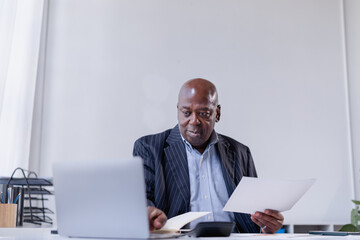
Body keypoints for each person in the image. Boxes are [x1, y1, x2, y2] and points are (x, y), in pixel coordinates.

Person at [133, 78, 284, 233]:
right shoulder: (149, 148)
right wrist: (146, 212)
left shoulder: (240, 152)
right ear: (178, 111)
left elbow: (254, 215)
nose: (194, 121)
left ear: (217, 113)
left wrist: (266, 225)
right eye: (186, 113)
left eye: (203, 113)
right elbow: (140, 200)